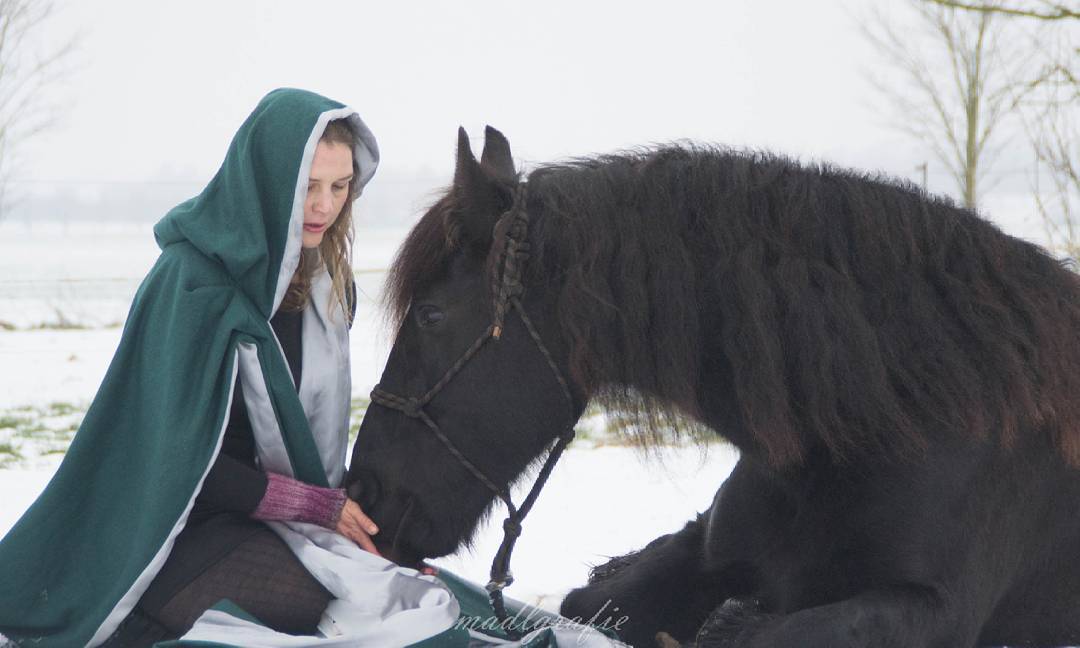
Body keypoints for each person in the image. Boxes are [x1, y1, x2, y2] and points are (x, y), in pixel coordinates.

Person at [0, 89, 458, 648]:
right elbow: (177, 460)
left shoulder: (325, 293)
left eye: (339, 187)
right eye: (307, 186)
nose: (323, 206)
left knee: (397, 588)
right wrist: (317, 508)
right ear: (264, 181)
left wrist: (369, 536)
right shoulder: (190, 283)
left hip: (268, 522)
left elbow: (311, 442)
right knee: (354, 607)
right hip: (171, 529)